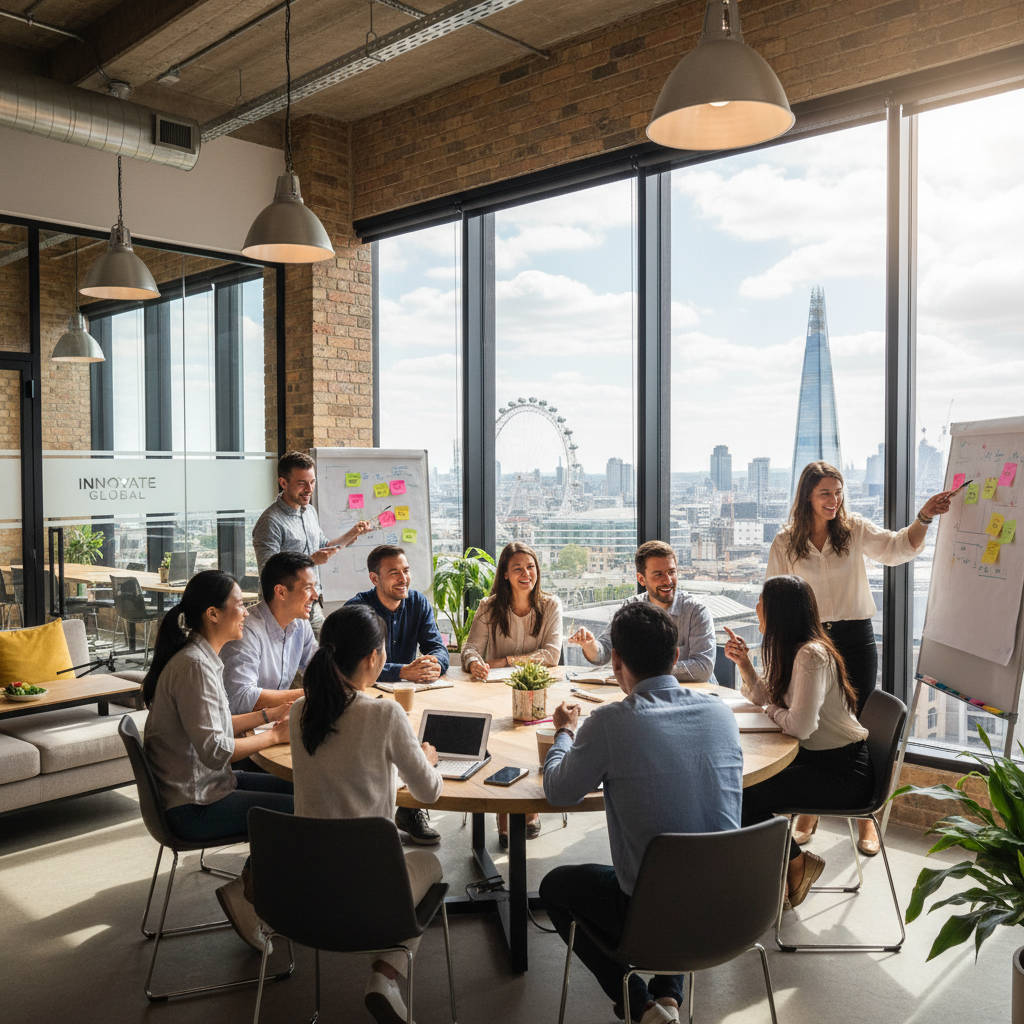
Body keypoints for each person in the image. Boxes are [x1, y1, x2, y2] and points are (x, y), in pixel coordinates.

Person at [540, 601, 743, 1024]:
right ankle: (668, 997)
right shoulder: (722, 715)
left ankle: (640, 1005)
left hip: (650, 916)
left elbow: (559, 792)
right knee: (686, 858)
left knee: (555, 887)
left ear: (616, 661)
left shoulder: (611, 723)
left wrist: (563, 733)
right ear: (674, 657)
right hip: (732, 909)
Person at [767, 460, 951, 855]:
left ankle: (866, 817)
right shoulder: (785, 541)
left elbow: (899, 547)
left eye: (838, 492)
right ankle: (809, 810)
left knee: (859, 721)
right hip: (809, 641)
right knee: (810, 720)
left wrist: (923, 517)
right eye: (825, 493)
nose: (834, 500)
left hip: (854, 638)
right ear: (807, 496)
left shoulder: (854, 530)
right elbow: (774, 595)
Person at [290, 603, 443, 1024]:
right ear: (374, 658)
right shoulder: (384, 713)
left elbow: (344, 773)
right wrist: (426, 758)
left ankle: (384, 975)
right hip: (369, 893)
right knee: (432, 864)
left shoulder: (299, 711)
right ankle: (385, 974)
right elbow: (428, 793)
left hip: (302, 891)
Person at [142, 570, 295, 953]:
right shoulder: (194, 665)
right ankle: (250, 891)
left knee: (302, 788)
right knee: (301, 807)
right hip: (193, 806)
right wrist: (275, 737)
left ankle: (261, 887)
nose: (246, 611)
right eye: (239, 604)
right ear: (213, 613)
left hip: (205, 787)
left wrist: (268, 716)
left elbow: (216, 724)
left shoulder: (199, 657)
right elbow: (216, 749)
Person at [724, 574, 873, 908]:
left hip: (844, 772)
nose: (757, 608)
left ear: (779, 612)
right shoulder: (793, 651)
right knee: (740, 790)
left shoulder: (811, 655)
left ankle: (795, 864)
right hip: (819, 759)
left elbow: (799, 726)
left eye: (761, 603)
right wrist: (745, 665)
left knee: (743, 796)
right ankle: (778, 868)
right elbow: (771, 699)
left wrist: (773, 710)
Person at [460, 541, 563, 847]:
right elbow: (471, 648)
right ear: (505, 573)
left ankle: (528, 807)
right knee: (498, 739)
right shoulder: (489, 607)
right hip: (497, 693)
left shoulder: (550, 605)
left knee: (531, 743)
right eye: (517, 567)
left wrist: (505, 661)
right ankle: (505, 809)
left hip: (539, 692)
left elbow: (552, 655)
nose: (525, 573)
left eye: (530, 567)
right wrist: (474, 662)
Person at [347, 544, 450, 845]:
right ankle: (398, 805)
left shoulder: (417, 602)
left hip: (409, 692)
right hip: (369, 695)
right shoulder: (358, 609)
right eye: (394, 573)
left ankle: (409, 808)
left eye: (405, 571)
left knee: (428, 727)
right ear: (374, 578)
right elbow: (354, 660)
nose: (403, 578)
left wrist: (434, 664)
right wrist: (401, 670)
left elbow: (438, 646)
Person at [252, 450, 371, 638]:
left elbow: (323, 546)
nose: (309, 489)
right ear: (283, 483)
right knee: (292, 665)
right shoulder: (270, 522)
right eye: (302, 483)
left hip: (311, 603)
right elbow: (268, 572)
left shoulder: (309, 512)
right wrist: (311, 561)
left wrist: (351, 534)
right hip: (283, 610)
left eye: (312, 482)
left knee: (325, 656)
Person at [568, 540, 716, 683]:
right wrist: (589, 645)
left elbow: (702, 668)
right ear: (641, 579)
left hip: (698, 695)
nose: (668, 580)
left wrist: (643, 672)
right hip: (651, 694)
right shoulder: (631, 606)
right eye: (658, 574)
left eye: (672, 572)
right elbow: (604, 653)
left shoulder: (696, 611)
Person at [221, 552, 318, 716]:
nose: (315, 596)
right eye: (308, 588)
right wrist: (308, 695)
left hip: (273, 721)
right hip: (240, 729)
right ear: (281, 592)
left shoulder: (301, 624)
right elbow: (240, 697)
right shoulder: (246, 629)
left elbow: (319, 669)